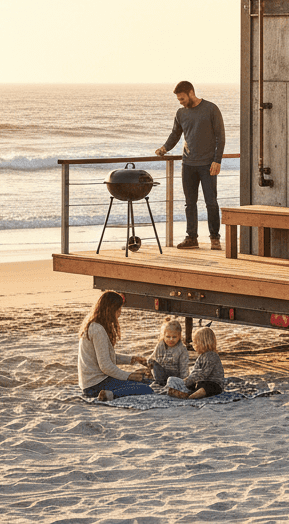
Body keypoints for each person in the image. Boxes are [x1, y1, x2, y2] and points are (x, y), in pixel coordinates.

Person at [155, 81, 226, 250]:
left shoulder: (211, 109)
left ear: (191, 92)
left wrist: (217, 160)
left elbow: (220, 137)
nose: (180, 102)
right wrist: (164, 148)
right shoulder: (181, 113)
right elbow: (175, 134)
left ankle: (215, 238)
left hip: (208, 164)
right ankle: (191, 238)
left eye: (182, 98)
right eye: (178, 99)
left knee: (211, 202)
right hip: (188, 165)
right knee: (190, 203)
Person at [78, 291, 153, 401]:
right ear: (111, 310)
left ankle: (110, 392)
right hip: (95, 385)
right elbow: (106, 366)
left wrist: (132, 360)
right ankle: (110, 395)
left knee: (146, 381)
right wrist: (129, 375)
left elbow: (105, 356)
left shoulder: (94, 326)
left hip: (90, 383)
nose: (120, 313)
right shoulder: (98, 330)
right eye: (119, 309)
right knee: (147, 389)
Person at [167, 326, 225, 399]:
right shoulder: (200, 357)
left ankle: (190, 396)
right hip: (201, 382)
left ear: (203, 343)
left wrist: (190, 380)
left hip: (214, 384)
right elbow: (195, 371)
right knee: (173, 380)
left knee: (205, 388)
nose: (194, 346)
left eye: (195, 343)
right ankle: (185, 393)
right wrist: (187, 380)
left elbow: (204, 374)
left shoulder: (212, 356)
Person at [146, 317, 189, 386]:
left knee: (174, 379)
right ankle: (158, 382)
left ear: (179, 336)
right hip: (162, 373)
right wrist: (149, 364)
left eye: (174, 337)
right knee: (154, 363)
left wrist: (184, 381)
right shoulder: (160, 345)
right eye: (168, 337)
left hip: (174, 375)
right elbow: (152, 357)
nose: (171, 339)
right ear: (164, 336)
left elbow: (184, 367)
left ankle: (166, 384)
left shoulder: (182, 349)